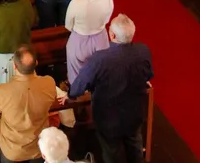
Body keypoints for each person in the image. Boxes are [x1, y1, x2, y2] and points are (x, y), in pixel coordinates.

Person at [64, 14, 153, 163]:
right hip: (134, 113)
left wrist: (70, 95)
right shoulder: (143, 51)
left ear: (111, 35)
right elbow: (149, 74)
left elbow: (80, 85)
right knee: (135, 147)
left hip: (108, 118)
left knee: (112, 152)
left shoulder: (101, 59)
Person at [0, 44, 57, 163]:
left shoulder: (1, 91)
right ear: (36, 63)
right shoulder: (49, 83)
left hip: (12, 150)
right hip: (39, 147)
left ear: (14, 66)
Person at [65, 0, 113, 84]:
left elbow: (68, 25)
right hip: (101, 39)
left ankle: (79, 94)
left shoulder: (76, 3)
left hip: (79, 42)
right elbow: (107, 20)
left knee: (77, 76)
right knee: (100, 73)